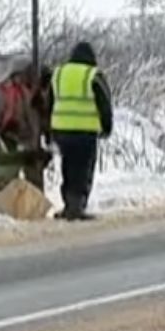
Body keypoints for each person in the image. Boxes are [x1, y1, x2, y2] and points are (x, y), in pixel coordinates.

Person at [0, 63, 54, 217]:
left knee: (22, 170)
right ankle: (24, 206)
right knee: (20, 171)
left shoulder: (9, 88)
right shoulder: (18, 89)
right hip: (18, 136)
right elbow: (42, 116)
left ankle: (30, 206)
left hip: (20, 136)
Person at [48, 41, 113, 221]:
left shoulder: (59, 73)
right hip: (85, 130)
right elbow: (104, 103)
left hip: (61, 129)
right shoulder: (93, 74)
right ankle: (77, 206)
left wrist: (49, 129)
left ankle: (69, 204)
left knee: (68, 167)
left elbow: (50, 101)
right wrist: (107, 127)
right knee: (83, 169)